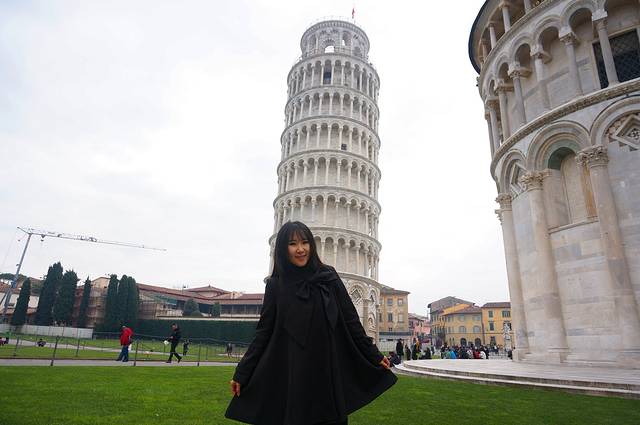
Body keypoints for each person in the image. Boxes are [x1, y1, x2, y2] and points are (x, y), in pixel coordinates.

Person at [226, 221, 396, 425]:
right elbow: (263, 332)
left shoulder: (328, 276)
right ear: (283, 249)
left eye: (305, 242)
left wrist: (374, 355)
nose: (300, 249)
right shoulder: (276, 285)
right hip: (294, 370)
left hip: (328, 368)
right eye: (292, 244)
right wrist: (242, 373)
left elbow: (351, 321)